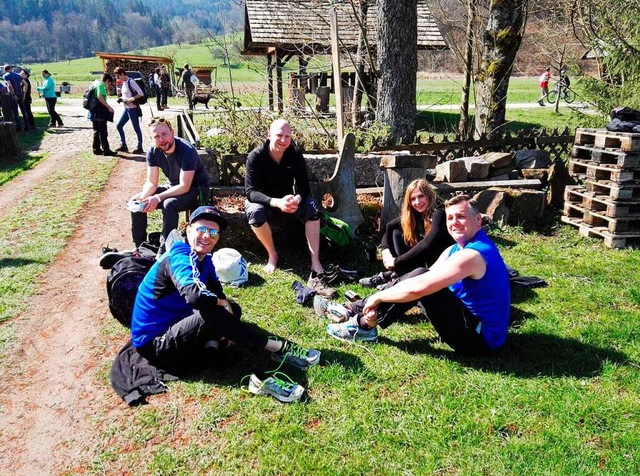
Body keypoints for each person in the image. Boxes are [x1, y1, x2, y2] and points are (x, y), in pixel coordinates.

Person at [130, 205, 320, 400]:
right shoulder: (180, 255)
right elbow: (194, 296)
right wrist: (220, 304)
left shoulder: (204, 259)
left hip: (176, 320)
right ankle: (275, 347)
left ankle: (217, 343)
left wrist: (224, 303)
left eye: (213, 232)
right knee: (212, 314)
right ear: (188, 230)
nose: (207, 236)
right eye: (201, 229)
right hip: (154, 343)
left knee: (231, 309)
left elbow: (217, 292)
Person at [323, 195, 510, 356]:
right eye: (450, 218)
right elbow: (425, 276)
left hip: (479, 339)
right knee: (420, 275)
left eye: (461, 217)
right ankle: (356, 309)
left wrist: (377, 296)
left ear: (478, 220)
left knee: (421, 284)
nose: (454, 223)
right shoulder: (457, 247)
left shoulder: (473, 255)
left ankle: (363, 324)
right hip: (467, 317)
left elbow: (420, 287)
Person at [244, 119, 333, 296]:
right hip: (264, 202)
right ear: (269, 136)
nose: (283, 140)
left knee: (312, 207)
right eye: (279, 135)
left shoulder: (294, 154)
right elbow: (250, 192)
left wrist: (296, 199)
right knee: (254, 212)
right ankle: (272, 255)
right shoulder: (255, 156)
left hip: (288, 200)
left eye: (287, 136)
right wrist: (276, 202)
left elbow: (304, 187)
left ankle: (315, 260)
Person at [128, 116, 211, 251]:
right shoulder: (153, 151)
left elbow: (185, 186)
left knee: (169, 204)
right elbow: (151, 182)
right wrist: (143, 197)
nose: (161, 140)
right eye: (156, 136)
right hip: (173, 186)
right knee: (137, 202)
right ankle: (139, 245)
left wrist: (158, 197)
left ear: (172, 132)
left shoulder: (186, 150)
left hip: (195, 189)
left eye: (164, 134)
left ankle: (166, 248)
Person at [359, 179, 453, 288]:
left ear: (429, 195)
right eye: (413, 199)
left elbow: (427, 244)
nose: (417, 202)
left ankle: (397, 275)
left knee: (422, 245)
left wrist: (396, 262)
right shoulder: (417, 212)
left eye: (421, 196)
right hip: (424, 260)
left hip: (441, 262)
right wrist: (385, 252)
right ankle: (398, 275)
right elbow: (388, 227)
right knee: (397, 231)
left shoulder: (440, 212)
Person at [114, 67, 144, 154]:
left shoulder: (131, 81)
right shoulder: (124, 83)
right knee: (119, 126)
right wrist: (121, 99)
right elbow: (125, 95)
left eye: (118, 76)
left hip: (133, 108)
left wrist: (130, 99)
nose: (117, 78)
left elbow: (140, 93)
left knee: (136, 128)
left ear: (123, 74)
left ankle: (140, 147)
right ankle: (123, 145)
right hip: (126, 109)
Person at [89, 73, 116, 156]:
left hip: (93, 111)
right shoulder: (101, 85)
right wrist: (109, 107)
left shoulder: (95, 83)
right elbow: (100, 96)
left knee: (96, 131)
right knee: (103, 132)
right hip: (100, 112)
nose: (108, 86)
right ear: (107, 81)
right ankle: (106, 150)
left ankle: (96, 149)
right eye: (109, 83)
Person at [3, 64, 32, 131]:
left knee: (16, 112)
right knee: (24, 111)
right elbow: (25, 84)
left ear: (5, 70)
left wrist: (13, 95)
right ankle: (27, 127)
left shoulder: (6, 76)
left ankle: (19, 128)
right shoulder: (17, 75)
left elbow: (9, 86)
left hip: (13, 96)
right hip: (20, 95)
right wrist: (24, 93)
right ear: (11, 68)